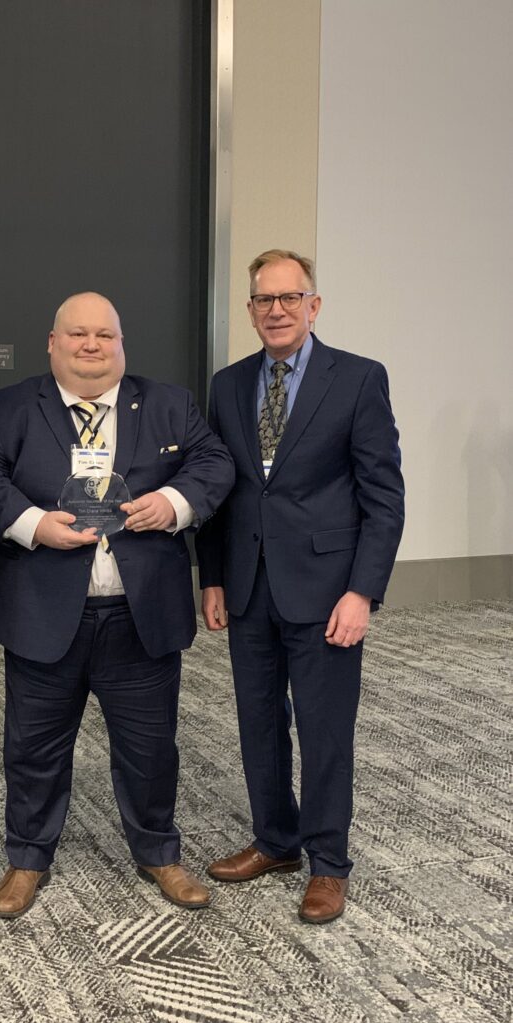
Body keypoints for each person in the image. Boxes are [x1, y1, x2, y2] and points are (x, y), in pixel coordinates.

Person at [0, 291, 234, 918]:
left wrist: (176, 505)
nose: (91, 346)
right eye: (77, 335)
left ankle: (158, 852)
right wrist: (30, 523)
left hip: (141, 616)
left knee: (151, 747)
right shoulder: (9, 408)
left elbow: (215, 463)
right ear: (52, 344)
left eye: (103, 335)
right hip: (45, 612)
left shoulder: (168, 404)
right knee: (33, 749)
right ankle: (27, 858)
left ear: (121, 344)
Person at [195, 250, 404, 924]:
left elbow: (384, 499)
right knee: (258, 724)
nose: (277, 310)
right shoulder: (227, 386)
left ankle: (329, 863)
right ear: (251, 310)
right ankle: (277, 841)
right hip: (250, 588)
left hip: (327, 593)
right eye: (264, 300)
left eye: (290, 297)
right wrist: (214, 578)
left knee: (323, 730)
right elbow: (218, 492)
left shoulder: (359, 380)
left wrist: (362, 592)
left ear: (314, 305)